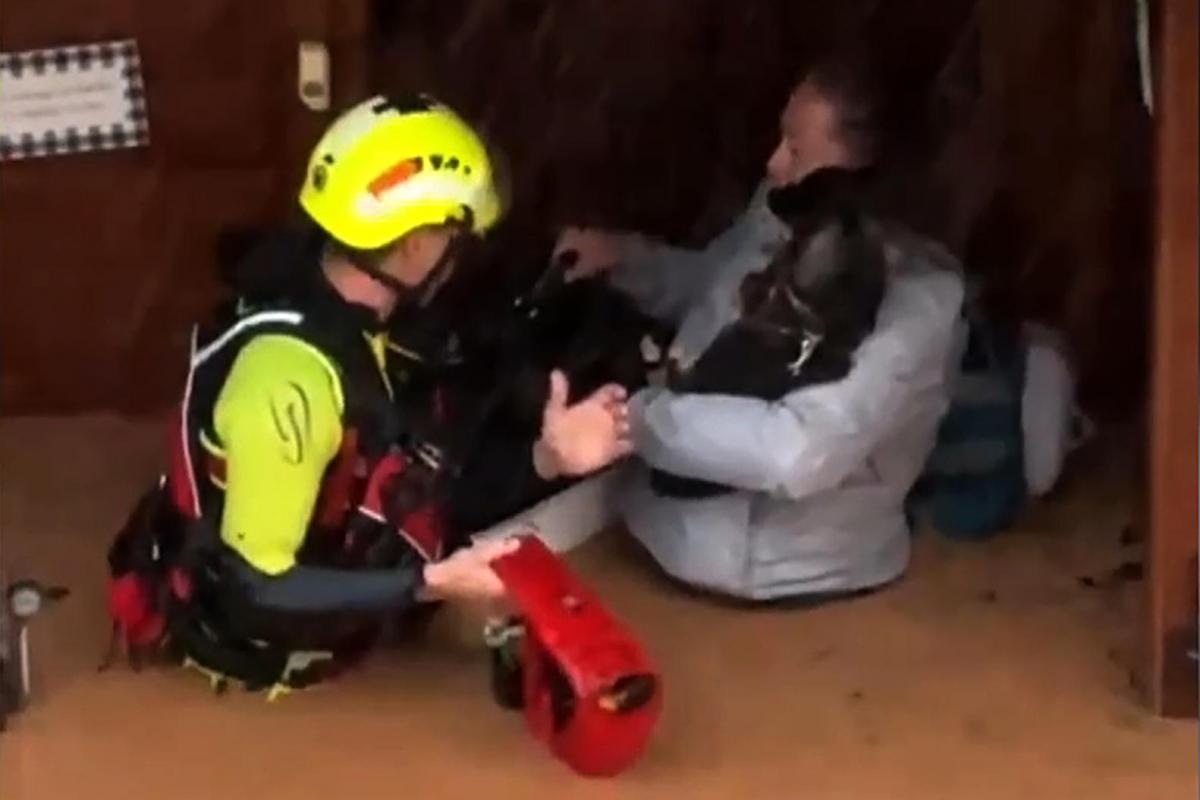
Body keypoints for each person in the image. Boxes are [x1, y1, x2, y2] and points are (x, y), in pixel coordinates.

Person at [135, 94, 632, 686]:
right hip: (260, 644)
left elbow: (417, 482)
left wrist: (547, 458)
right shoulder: (288, 383)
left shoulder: (359, 317)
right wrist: (426, 584)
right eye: (456, 237)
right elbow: (254, 589)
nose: (461, 256)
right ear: (416, 244)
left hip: (335, 548)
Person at [554, 59, 966, 602]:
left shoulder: (916, 306)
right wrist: (620, 259)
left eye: (795, 149)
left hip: (774, 566)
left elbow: (796, 452)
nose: (773, 163)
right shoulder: (789, 212)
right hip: (665, 520)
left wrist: (633, 422)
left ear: (865, 173)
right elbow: (715, 291)